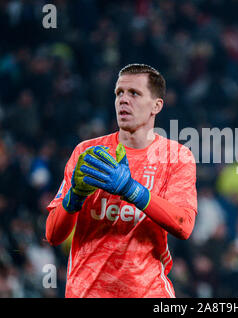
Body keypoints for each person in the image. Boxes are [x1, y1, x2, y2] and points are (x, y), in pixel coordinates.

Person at [45, 64, 197, 298]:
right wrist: (74, 196)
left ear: (156, 106)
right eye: (119, 93)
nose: (123, 100)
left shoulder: (175, 157)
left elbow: (184, 226)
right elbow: (53, 235)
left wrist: (131, 189)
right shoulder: (88, 153)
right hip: (86, 292)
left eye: (134, 93)